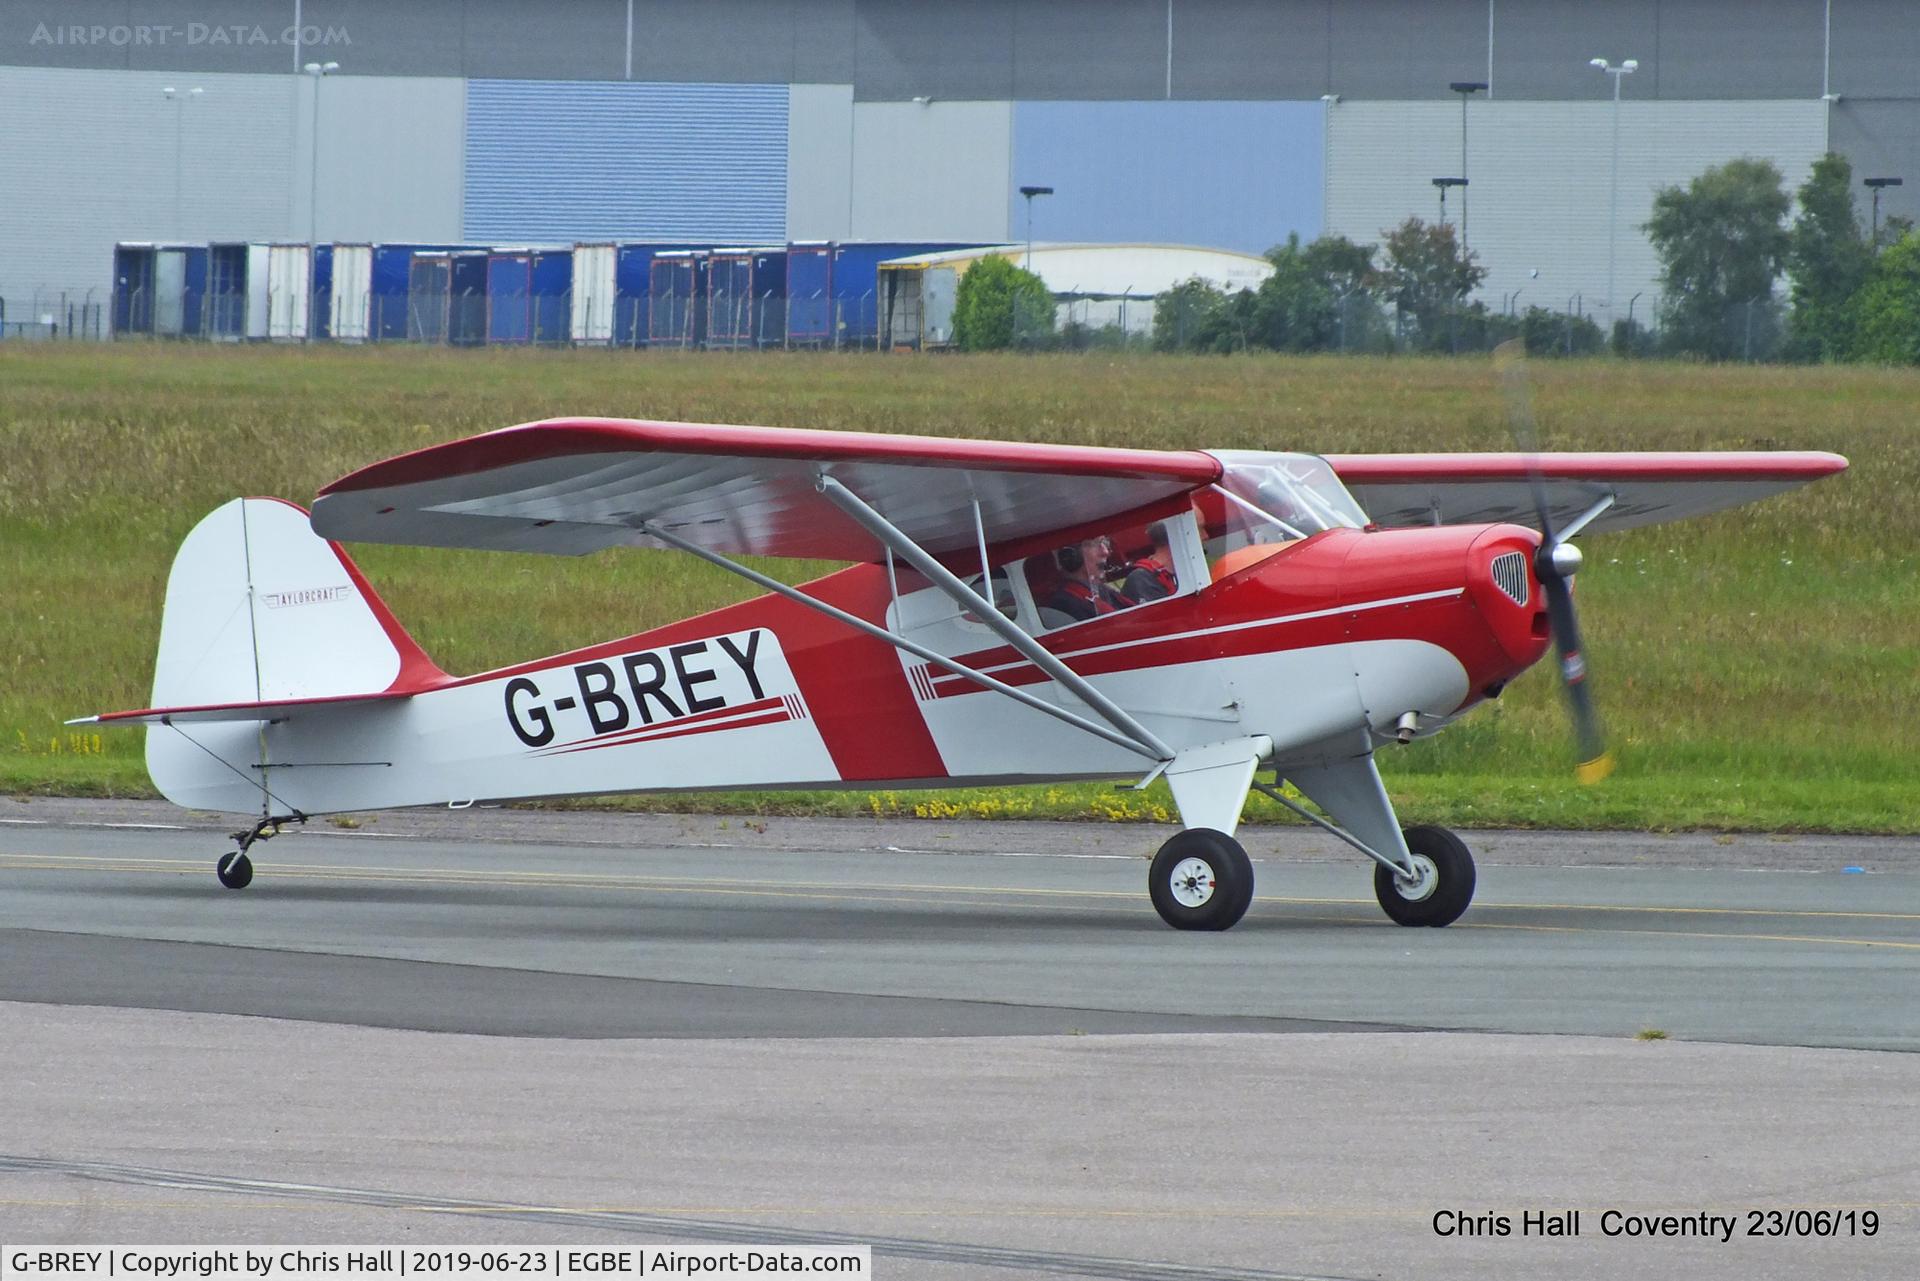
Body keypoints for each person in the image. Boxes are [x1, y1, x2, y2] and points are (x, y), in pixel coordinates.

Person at [1046, 536, 1130, 620]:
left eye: (1104, 543)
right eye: (1094, 544)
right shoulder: (1065, 603)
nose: (1105, 552)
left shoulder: (1101, 589)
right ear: (1071, 556)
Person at [1121, 521, 1178, 603]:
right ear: (1177, 536)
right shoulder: (1141, 580)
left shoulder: (1179, 577)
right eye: (1199, 530)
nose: (1203, 536)